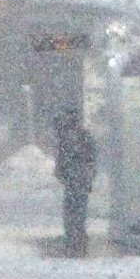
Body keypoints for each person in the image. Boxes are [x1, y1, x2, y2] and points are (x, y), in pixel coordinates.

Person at [52, 110, 98, 258]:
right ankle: (79, 239)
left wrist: (62, 173)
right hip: (81, 179)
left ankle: (72, 239)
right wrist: (89, 177)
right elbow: (92, 159)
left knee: (71, 210)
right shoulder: (85, 136)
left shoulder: (65, 137)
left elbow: (61, 159)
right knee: (79, 211)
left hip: (72, 180)